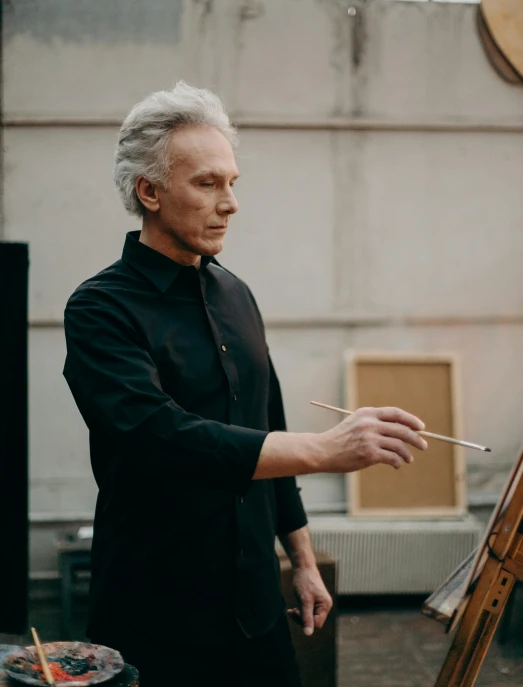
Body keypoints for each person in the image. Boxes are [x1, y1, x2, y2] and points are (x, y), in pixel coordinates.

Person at [63, 82, 427, 687]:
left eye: (232, 183)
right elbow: (161, 436)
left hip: (255, 604)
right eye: (207, 184)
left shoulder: (236, 293)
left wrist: (302, 561)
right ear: (148, 191)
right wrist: (324, 450)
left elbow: (267, 426)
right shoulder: (100, 309)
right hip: (156, 609)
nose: (229, 203)